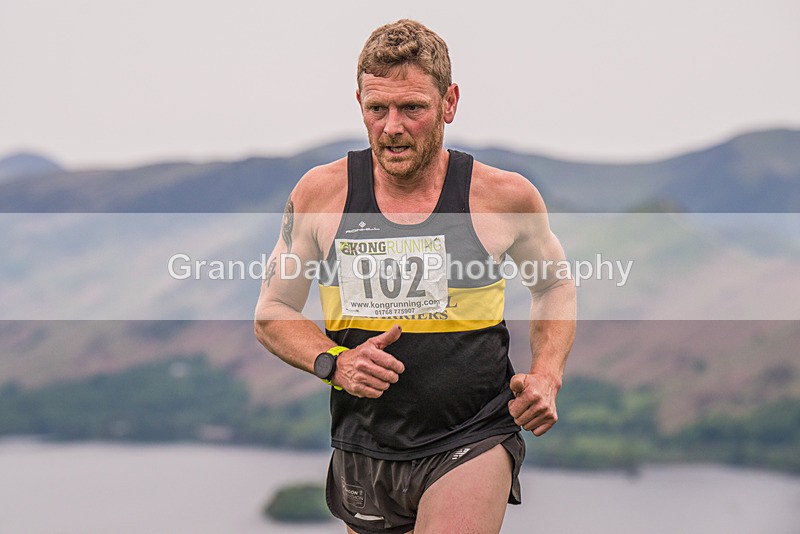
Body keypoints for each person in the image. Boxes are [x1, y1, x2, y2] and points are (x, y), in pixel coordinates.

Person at [254, 19, 576, 534]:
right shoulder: (321, 195)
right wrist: (334, 363)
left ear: (449, 103)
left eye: (412, 108)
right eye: (376, 108)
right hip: (366, 442)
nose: (392, 127)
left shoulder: (503, 197)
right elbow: (273, 312)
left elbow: (553, 284)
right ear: (358, 101)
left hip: (472, 434)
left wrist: (547, 375)